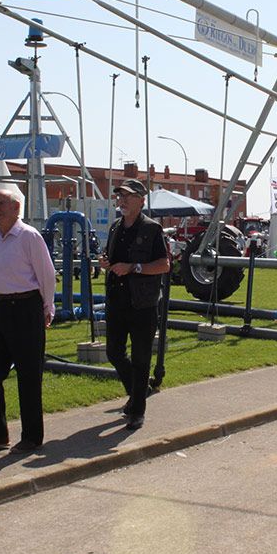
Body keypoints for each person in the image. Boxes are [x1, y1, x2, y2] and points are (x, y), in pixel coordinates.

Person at [0, 189, 56, 454]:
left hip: (25, 307)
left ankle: (31, 436)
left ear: (16, 207)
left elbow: (47, 273)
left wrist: (47, 306)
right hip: (0, 309)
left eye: (2, 204)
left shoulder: (28, 235)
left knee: (29, 375)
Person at [101, 179, 170, 431]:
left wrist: (134, 268)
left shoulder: (152, 230)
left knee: (141, 358)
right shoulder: (115, 228)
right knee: (114, 352)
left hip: (142, 304)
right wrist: (106, 262)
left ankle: (137, 411)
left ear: (141, 200)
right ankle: (137, 393)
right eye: (120, 196)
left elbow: (164, 265)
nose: (122, 200)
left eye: (128, 196)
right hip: (117, 301)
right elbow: (113, 258)